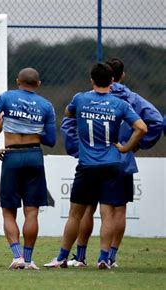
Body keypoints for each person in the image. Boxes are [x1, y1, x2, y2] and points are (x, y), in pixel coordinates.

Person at [61, 58, 163, 268]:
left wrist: (76, 148)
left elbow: (68, 121)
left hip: (90, 159)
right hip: (121, 162)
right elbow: (155, 121)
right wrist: (135, 146)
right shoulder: (132, 99)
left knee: (86, 210)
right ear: (121, 76)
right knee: (117, 210)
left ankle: (80, 257)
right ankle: (110, 257)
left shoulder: (86, 97)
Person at [0, 67, 56, 270]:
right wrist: (33, 129)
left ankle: (17, 257)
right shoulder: (46, 106)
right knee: (31, 212)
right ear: (38, 84)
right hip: (34, 155)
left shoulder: (6, 97)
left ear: (17, 81)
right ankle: (29, 259)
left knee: (8, 212)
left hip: (11, 156)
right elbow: (51, 140)